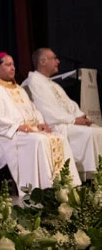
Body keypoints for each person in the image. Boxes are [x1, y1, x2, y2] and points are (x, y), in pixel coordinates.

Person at [0, 52, 81, 191]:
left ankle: (66, 185)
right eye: (8, 64)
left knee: (59, 137)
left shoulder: (18, 88)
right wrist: (16, 127)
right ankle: (41, 188)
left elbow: (34, 109)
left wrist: (40, 122)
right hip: (4, 135)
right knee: (39, 141)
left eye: (13, 65)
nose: (13, 68)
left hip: (27, 130)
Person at [22, 47, 102, 181]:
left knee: (98, 130)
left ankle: (97, 175)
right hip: (56, 126)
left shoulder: (52, 84)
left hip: (68, 122)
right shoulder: (33, 83)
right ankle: (92, 177)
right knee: (92, 134)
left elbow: (70, 105)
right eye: (54, 58)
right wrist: (73, 120)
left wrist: (81, 117)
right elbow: (46, 111)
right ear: (42, 61)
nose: (58, 61)